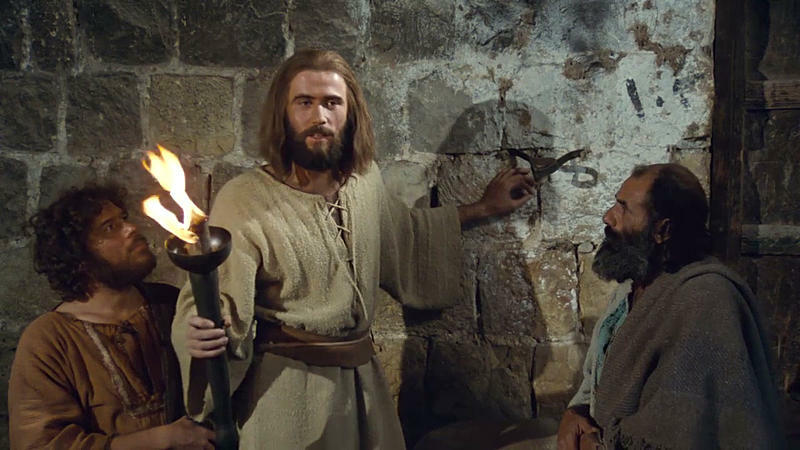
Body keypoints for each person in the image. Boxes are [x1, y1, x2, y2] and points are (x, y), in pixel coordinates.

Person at [171, 48, 536, 449]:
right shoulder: (245, 199)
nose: (319, 117)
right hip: (289, 398)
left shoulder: (364, 181)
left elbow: (406, 235)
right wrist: (198, 332)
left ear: (350, 113)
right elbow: (216, 296)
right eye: (304, 102)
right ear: (282, 114)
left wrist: (484, 208)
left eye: (332, 103)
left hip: (365, 392)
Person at [556, 164, 785, 449]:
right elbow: (598, 375)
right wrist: (576, 412)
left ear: (662, 230)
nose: (608, 216)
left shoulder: (706, 299)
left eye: (623, 208)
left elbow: (680, 427)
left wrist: (598, 445)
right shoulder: (633, 286)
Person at [8, 185, 215, 449]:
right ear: (78, 256)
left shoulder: (170, 304)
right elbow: (41, 444)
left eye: (124, 219)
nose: (131, 229)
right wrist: (163, 438)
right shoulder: (50, 339)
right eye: (110, 227)